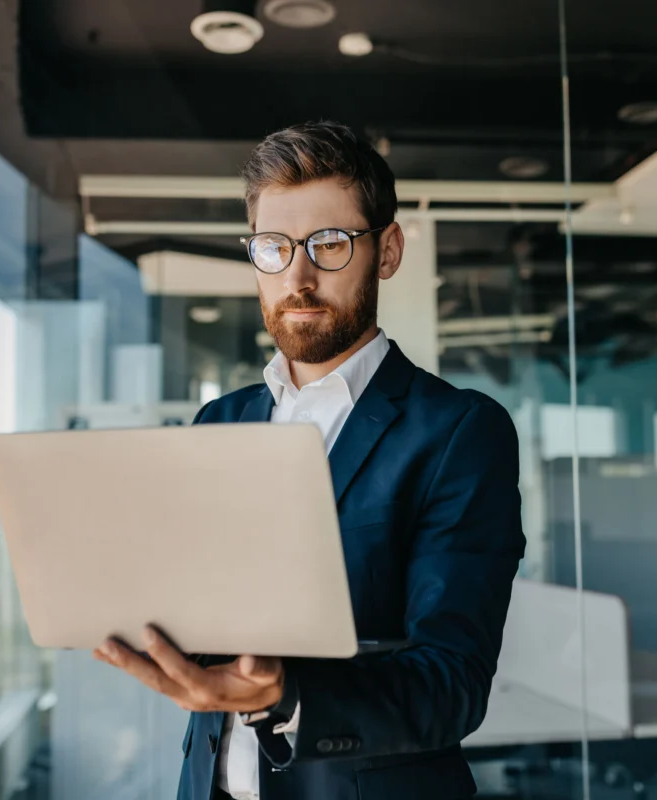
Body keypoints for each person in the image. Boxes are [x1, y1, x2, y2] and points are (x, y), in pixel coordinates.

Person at [93, 121, 526, 800]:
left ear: (386, 251)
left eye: (328, 244)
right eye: (274, 247)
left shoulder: (459, 432)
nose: (297, 276)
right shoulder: (218, 423)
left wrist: (288, 694)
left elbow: (452, 684)